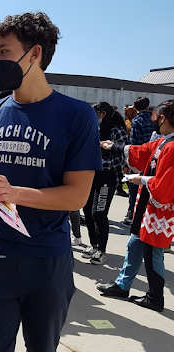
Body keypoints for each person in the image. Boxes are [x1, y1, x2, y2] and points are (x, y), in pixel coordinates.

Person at [0, 12, 102, 352]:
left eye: (4, 52)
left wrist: (15, 193)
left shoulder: (76, 115)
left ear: (35, 54)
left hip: (47, 259)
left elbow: (77, 197)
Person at [97, 100, 174, 312]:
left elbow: (165, 185)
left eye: (157, 117)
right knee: (135, 245)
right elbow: (142, 151)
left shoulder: (172, 146)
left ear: (163, 117)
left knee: (153, 252)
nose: (154, 121)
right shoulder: (164, 142)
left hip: (159, 209)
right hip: (149, 206)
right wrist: (114, 146)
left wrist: (142, 180)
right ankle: (123, 286)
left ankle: (155, 298)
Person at [81, 101, 129, 265]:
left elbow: (122, 159)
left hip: (107, 177)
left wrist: (97, 163)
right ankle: (93, 245)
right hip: (91, 176)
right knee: (87, 210)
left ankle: (102, 250)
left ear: (104, 114)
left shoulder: (117, 131)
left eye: (97, 114)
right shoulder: (94, 129)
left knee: (98, 213)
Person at [123, 97, 154, 225]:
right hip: (154, 156)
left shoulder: (137, 121)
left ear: (135, 107)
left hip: (141, 157)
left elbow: (134, 144)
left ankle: (133, 213)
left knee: (134, 187)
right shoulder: (154, 119)